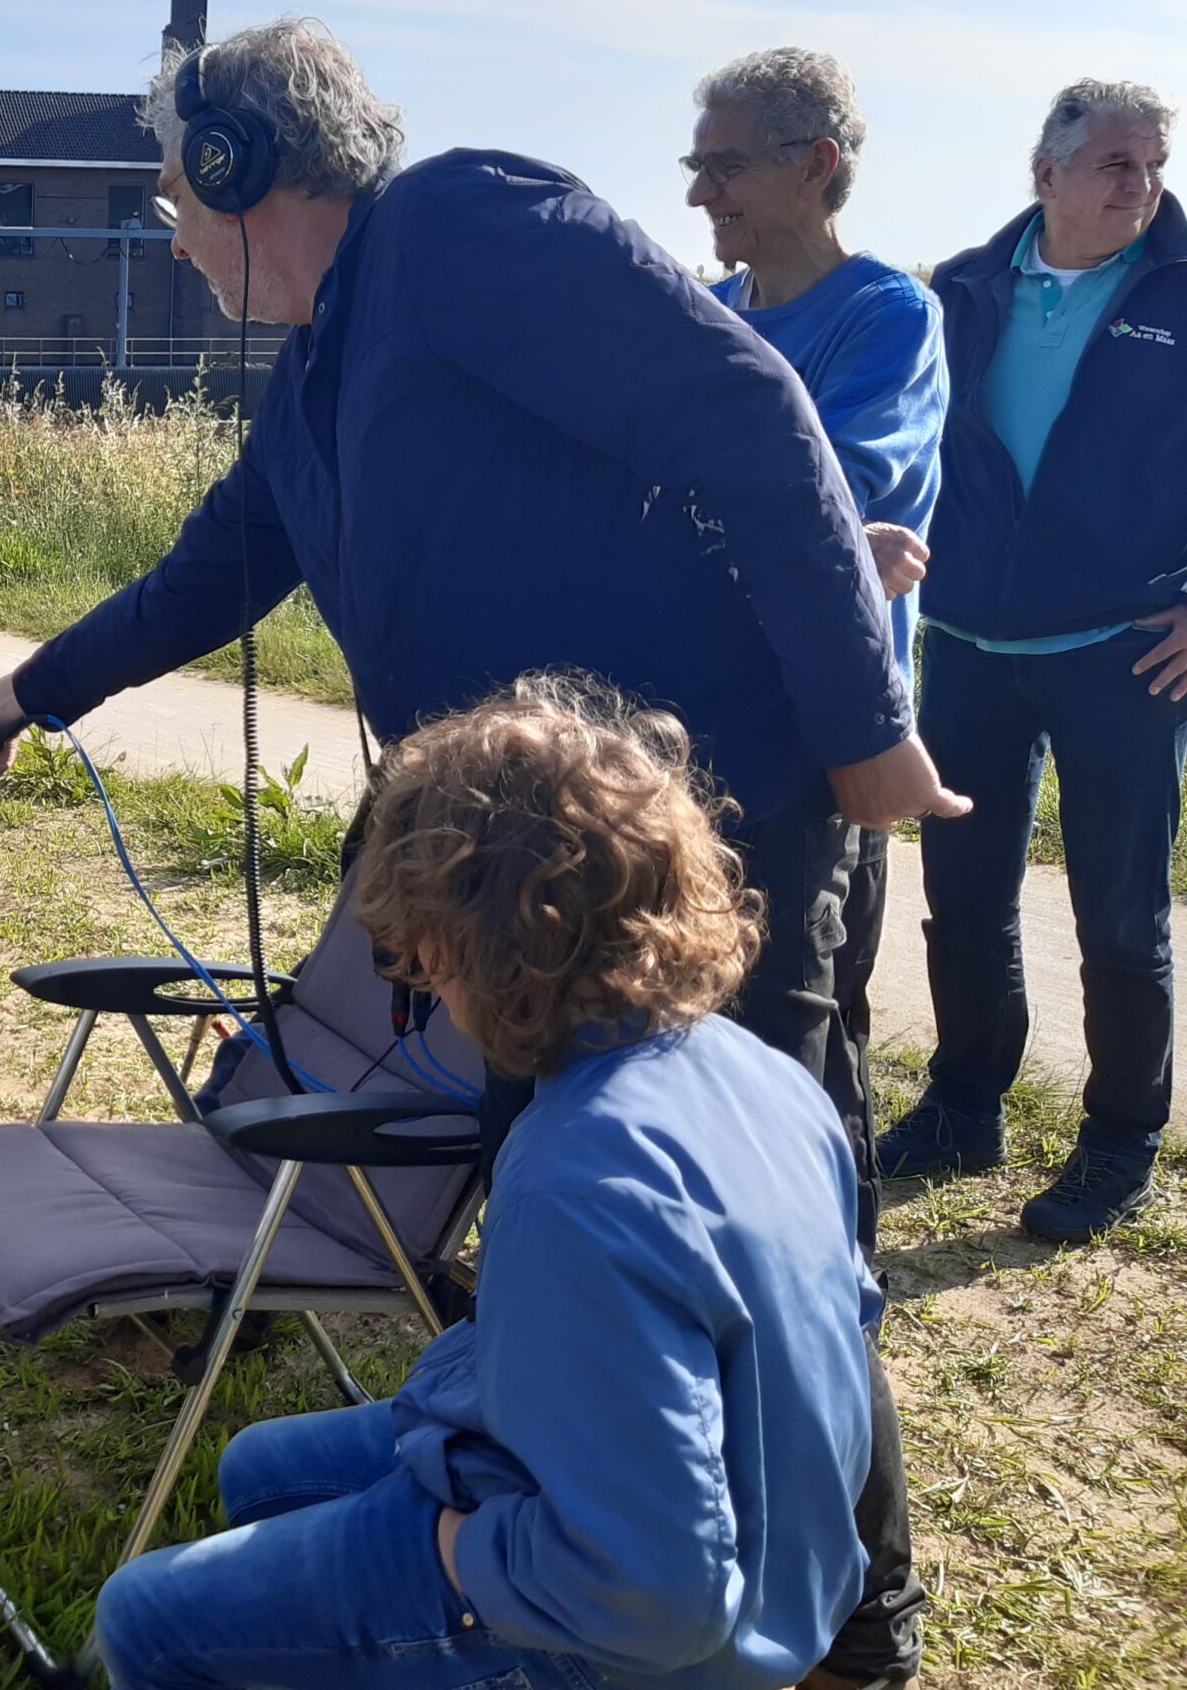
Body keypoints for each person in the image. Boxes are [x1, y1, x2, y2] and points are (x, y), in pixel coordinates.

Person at [0, 17, 948, 1687]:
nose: (169, 231)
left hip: (696, 849)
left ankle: (855, 1640)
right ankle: (585, 1566)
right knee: (564, 1212)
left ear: (249, 168)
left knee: (758, 1248)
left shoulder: (462, 225)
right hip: (516, 887)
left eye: (177, 190)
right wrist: (26, 697)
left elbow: (752, 412)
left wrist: (864, 728)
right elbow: (205, 578)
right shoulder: (319, 367)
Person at [94, 680, 883, 1690]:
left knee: (145, 1617)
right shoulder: (763, 1076)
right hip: (771, 1557)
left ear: (474, 943)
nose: (415, 978)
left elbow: (654, 1594)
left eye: (414, 951)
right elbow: (834, 1339)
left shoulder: (577, 1173)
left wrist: (446, 1547)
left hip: (646, 1639)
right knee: (260, 1470)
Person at [880, 79, 1187, 1243]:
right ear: (1044, 173)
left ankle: (1119, 1142)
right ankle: (964, 1107)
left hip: (1125, 652)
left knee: (1120, 913)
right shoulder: (956, 289)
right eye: (1113, 161)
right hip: (965, 642)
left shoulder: (1178, 290)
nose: (1140, 182)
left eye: (1152, 161)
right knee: (962, 897)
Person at [688, 47, 947, 1110]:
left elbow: (824, 495)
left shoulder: (886, 317)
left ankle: (833, 1265)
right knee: (695, 1006)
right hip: (694, 709)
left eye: (726, 165)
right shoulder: (702, 316)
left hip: (814, 738)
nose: (700, 192)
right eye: (695, 165)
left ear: (815, 165)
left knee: (801, 1020)